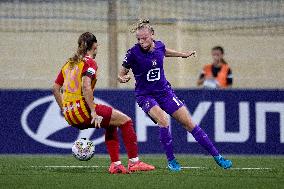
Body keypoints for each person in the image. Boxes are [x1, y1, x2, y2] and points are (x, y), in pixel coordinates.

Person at [118, 19, 232, 171]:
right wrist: (122, 78)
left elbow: (164, 51)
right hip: (145, 96)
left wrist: (183, 55)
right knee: (164, 121)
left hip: (165, 92)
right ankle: (172, 161)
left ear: (152, 35)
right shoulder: (133, 53)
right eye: (138, 39)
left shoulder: (159, 45)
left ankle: (218, 157)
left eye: (144, 38)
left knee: (189, 123)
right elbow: (121, 73)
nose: (141, 41)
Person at [52, 32, 155, 174]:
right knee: (126, 121)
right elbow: (86, 86)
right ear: (95, 46)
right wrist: (93, 111)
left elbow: (55, 88)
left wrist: (64, 109)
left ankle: (116, 164)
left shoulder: (68, 64)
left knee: (111, 123)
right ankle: (134, 162)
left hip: (70, 115)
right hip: (84, 111)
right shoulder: (90, 62)